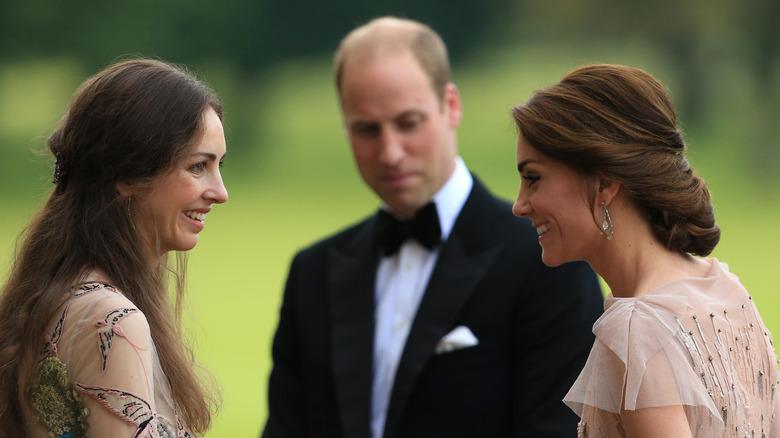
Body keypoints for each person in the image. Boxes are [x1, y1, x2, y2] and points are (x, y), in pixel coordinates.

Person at [262, 17, 604, 438]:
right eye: (367, 129)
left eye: (408, 123)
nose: (390, 153)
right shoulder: (312, 271)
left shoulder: (549, 260)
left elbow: (553, 430)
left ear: (451, 106)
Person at [511, 63, 780, 437]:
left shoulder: (637, 328)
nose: (520, 205)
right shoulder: (723, 287)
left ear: (603, 182)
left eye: (533, 179)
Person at [0, 59, 228, 437]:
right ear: (126, 175)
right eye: (198, 167)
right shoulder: (113, 322)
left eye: (219, 165)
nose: (220, 193)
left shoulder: (57, 293)